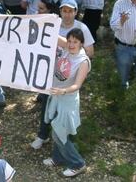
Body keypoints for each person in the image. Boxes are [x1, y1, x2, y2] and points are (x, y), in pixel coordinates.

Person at [42, 28, 90, 178]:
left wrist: (62, 91)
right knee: (56, 127)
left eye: (75, 42)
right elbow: (54, 36)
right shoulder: (67, 49)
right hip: (56, 97)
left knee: (59, 133)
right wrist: (45, 22)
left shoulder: (83, 61)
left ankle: (78, 164)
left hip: (67, 101)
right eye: (69, 41)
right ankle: (58, 158)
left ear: (81, 43)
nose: (71, 44)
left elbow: (77, 85)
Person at [30, 0, 60, 150]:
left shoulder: (57, 25)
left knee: (60, 109)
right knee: (46, 106)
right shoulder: (39, 22)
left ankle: (59, 139)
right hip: (46, 73)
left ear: (49, 9)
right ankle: (43, 135)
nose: (38, 11)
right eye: (38, 7)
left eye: (41, 8)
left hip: (62, 76)